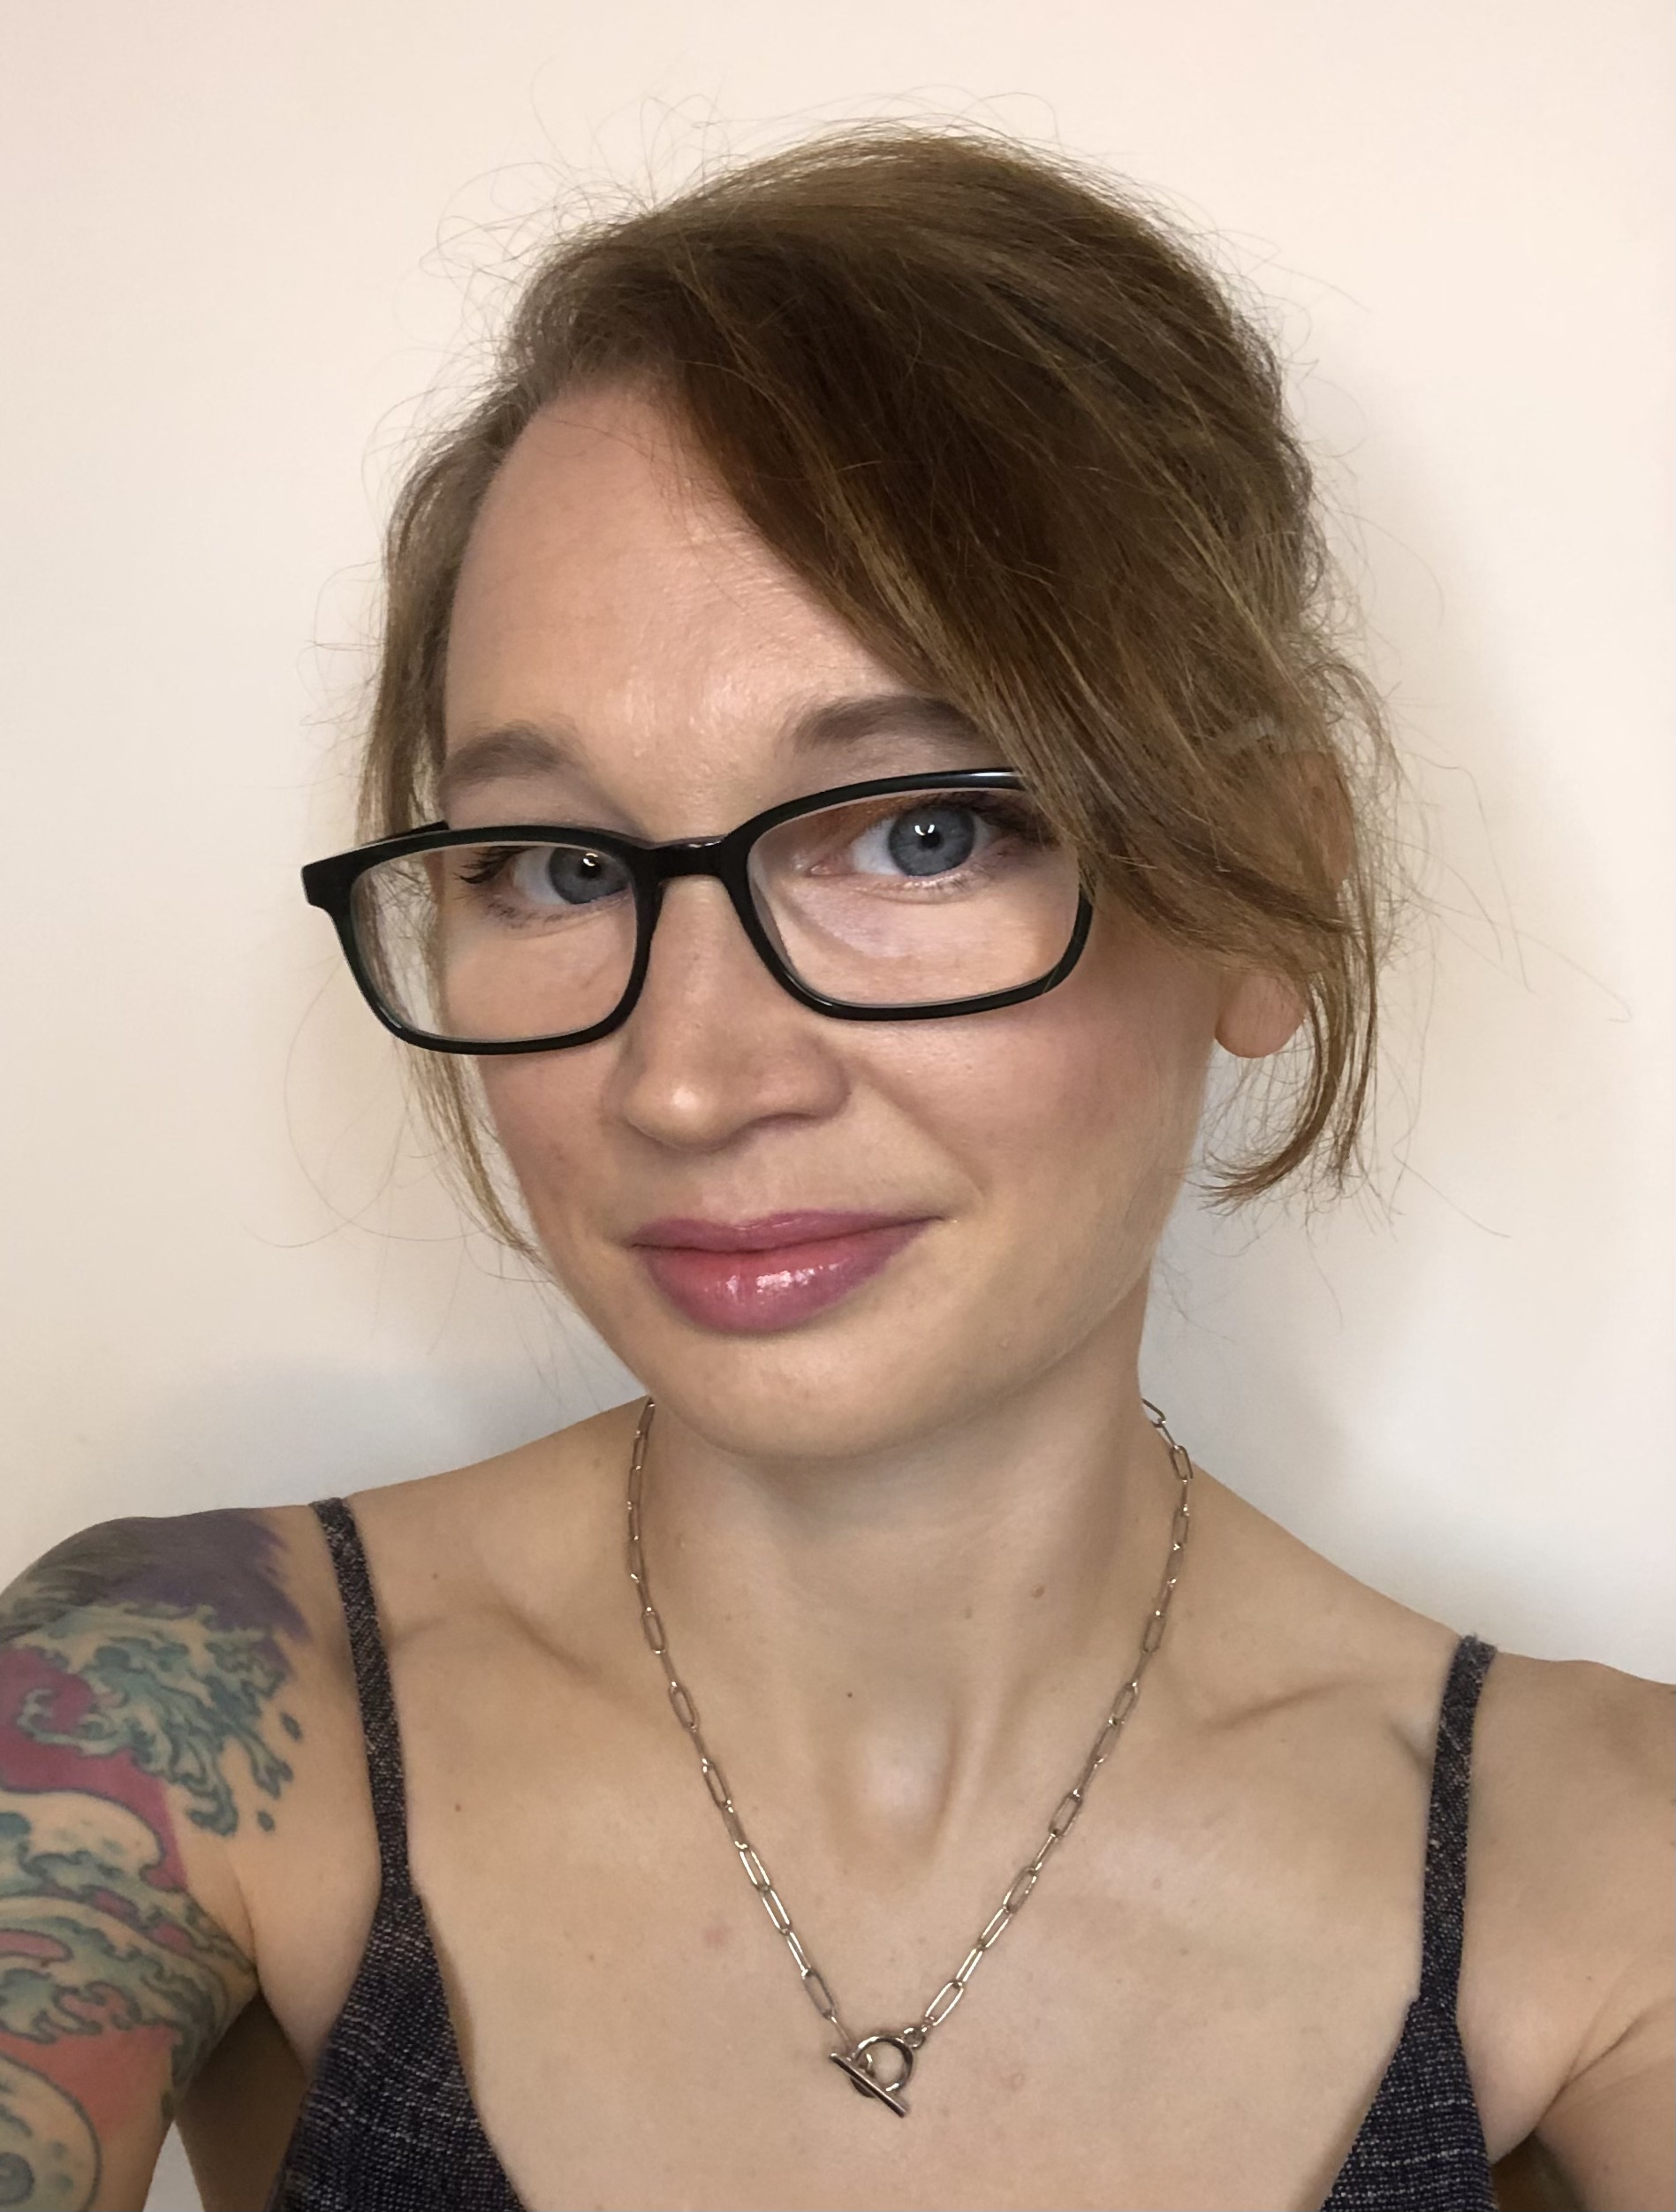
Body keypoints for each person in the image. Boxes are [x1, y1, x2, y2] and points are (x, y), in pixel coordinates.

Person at [0, 125, 1668, 2212]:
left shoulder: (1610, 1873)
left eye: (917, 831)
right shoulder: (178, 1703)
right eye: (555, 865)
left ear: (1265, 899)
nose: (687, 1080)